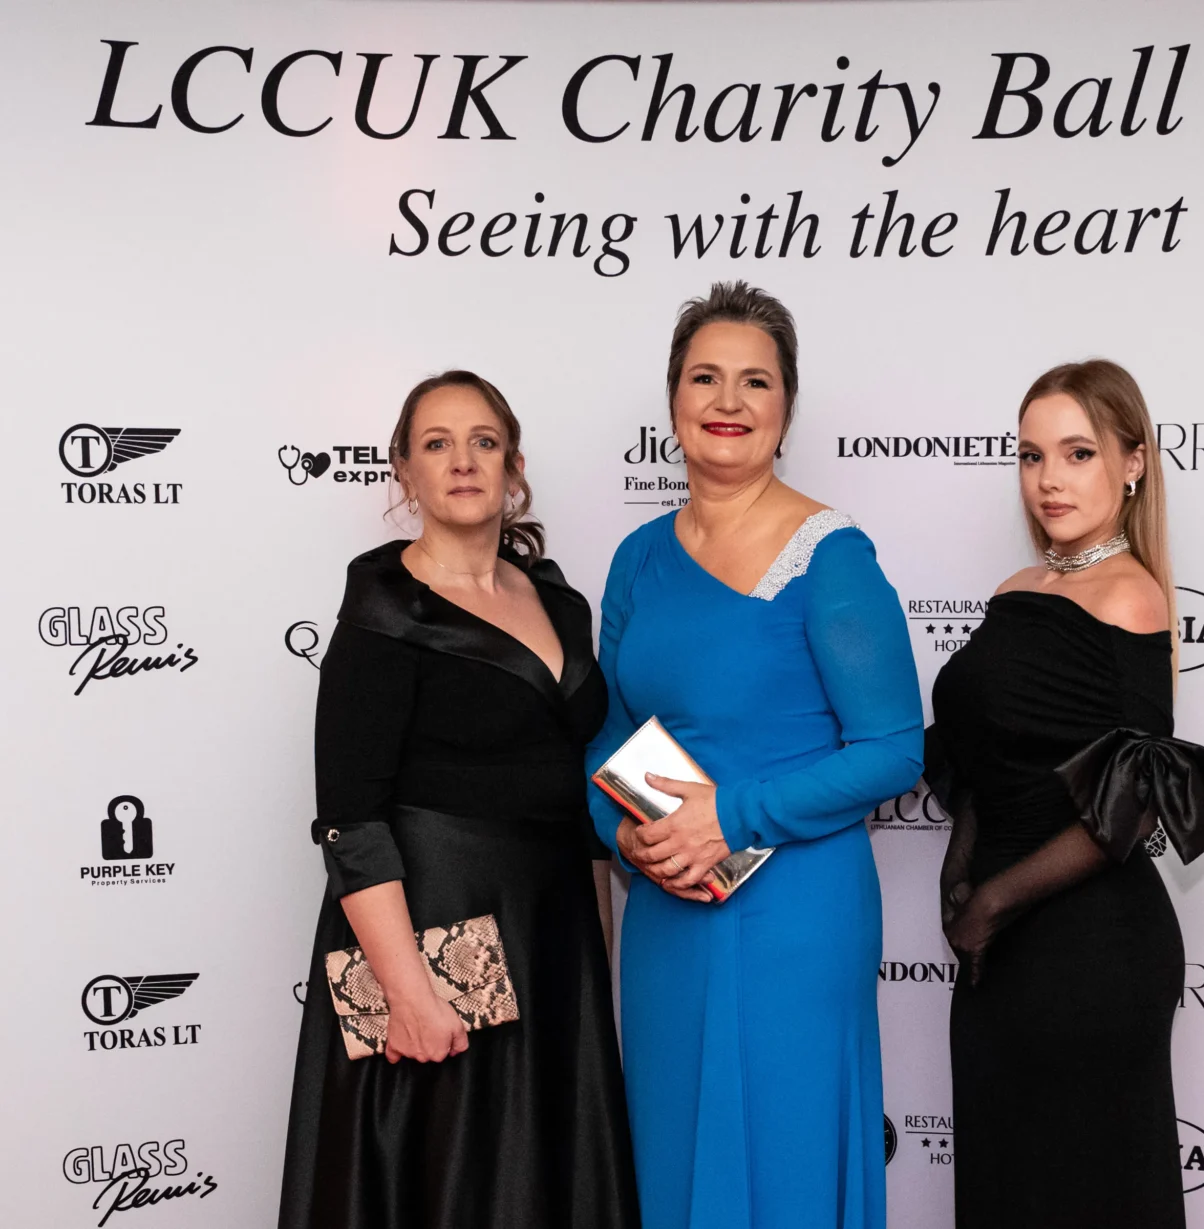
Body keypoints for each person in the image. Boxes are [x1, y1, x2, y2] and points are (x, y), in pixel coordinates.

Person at [586, 282, 924, 1229]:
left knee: (787, 1159)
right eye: (705, 377)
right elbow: (608, 735)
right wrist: (626, 834)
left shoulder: (832, 556)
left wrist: (729, 817)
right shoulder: (637, 557)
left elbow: (894, 750)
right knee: (673, 1155)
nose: (727, 401)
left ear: (786, 407)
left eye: (755, 381)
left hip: (796, 914)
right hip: (669, 909)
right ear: (673, 400)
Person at [278, 370, 640, 1229]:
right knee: (452, 1181)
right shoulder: (382, 613)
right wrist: (407, 991)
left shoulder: (559, 601)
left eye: (484, 441)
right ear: (404, 471)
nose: (463, 460)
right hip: (437, 939)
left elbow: (582, 783)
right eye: (436, 443)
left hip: (553, 933)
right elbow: (351, 822)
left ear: (514, 466)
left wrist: (597, 962)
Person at [929, 360, 1204, 1228]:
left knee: (1084, 1191)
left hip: (1090, 947)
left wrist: (992, 899)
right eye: (1031, 455)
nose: (1049, 479)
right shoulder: (1016, 591)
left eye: (1077, 453)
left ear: (1133, 461)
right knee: (1007, 1187)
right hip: (996, 947)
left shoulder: (1132, 598)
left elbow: (1136, 803)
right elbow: (982, 757)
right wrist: (961, 870)